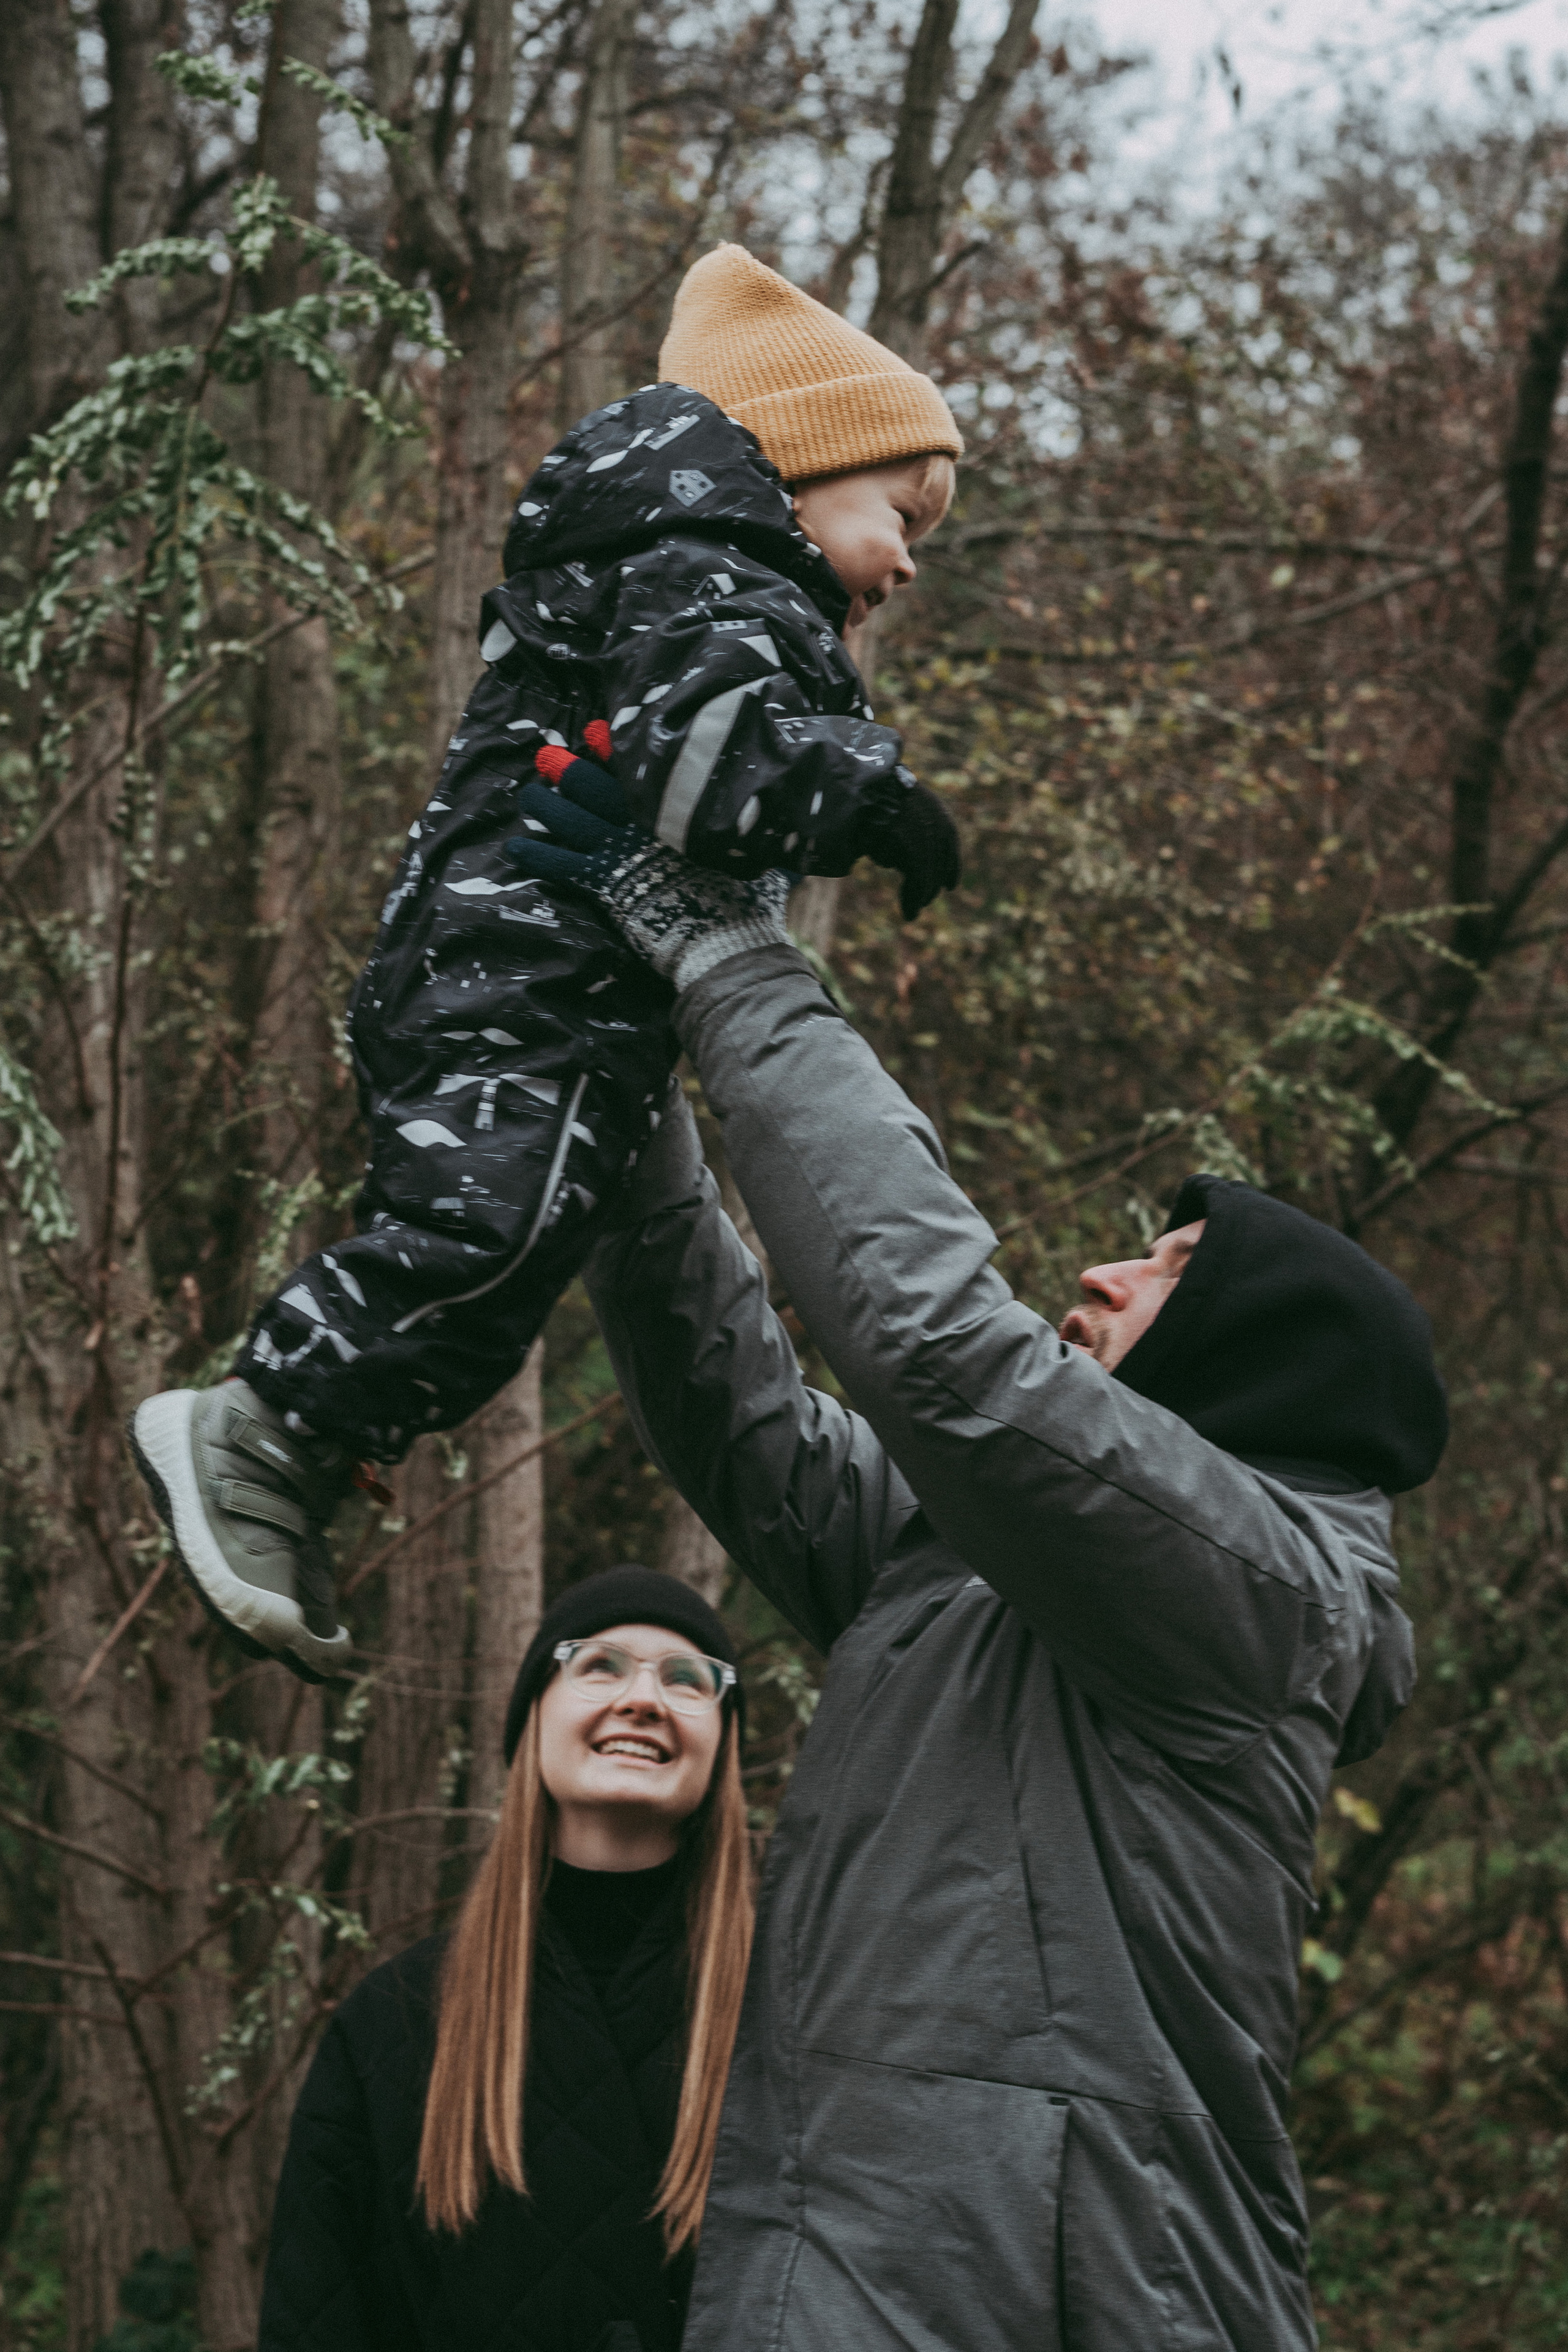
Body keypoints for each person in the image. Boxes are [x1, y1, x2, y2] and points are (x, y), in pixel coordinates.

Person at [505, 777, 1449, 2345]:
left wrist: (730, 964)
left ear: (1258, 1365)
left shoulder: (1261, 1591)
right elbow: (740, 1411)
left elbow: (940, 1345)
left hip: (1053, 2299)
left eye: (1167, 1269)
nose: (1098, 1265)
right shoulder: (970, 1574)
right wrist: (624, 1090)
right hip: (861, 2265)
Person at [127, 241, 963, 1682]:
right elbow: (711, 756)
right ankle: (262, 1427)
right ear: (803, 462)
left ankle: (306, 1460)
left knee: (508, 1251)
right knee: (490, 1230)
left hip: (532, 970)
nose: (898, 568)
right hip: (526, 964)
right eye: (900, 515)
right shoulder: (714, 564)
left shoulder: (691, 562)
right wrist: (873, 794)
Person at [256, 1567, 752, 2352]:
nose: (644, 1700)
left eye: (688, 1680)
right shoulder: (393, 2024)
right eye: (600, 1665)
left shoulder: (791, 2019)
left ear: (722, 1745)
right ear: (532, 1720)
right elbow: (318, 2319)